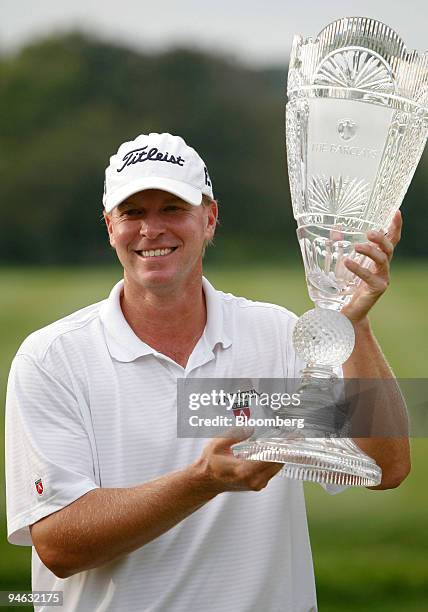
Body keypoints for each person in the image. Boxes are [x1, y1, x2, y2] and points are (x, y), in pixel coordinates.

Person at [5, 132, 410, 612]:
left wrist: (351, 320)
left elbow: (385, 467)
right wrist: (205, 478)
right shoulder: (52, 358)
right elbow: (60, 545)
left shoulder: (278, 336)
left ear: (209, 217)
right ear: (109, 226)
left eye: (172, 209)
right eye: (133, 213)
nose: (151, 229)